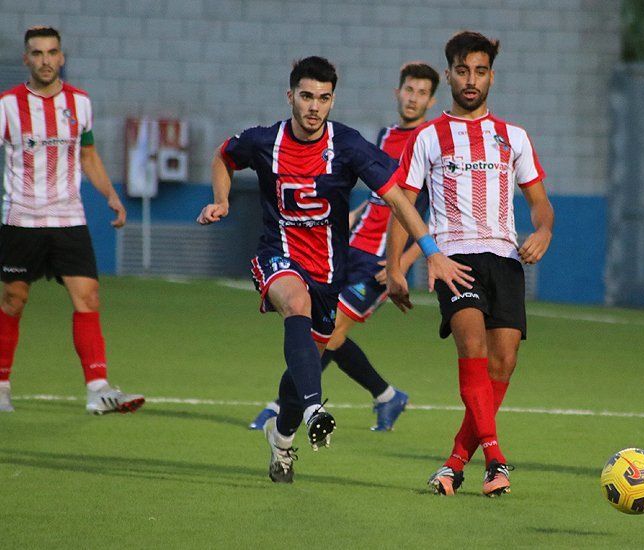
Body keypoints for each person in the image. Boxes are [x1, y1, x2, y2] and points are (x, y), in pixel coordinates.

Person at [197, 56, 470, 484]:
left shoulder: (350, 146)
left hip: (331, 270)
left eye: (323, 98)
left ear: (332, 101)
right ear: (291, 96)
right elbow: (223, 156)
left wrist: (430, 251)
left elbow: (399, 199)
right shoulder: (263, 140)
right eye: (306, 96)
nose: (314, 107)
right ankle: (312, 408)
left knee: (316, 348)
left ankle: (282, 437)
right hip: (279, 255)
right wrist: (223, 199)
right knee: (295, 301)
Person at [385, 31, 554, 497]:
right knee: (473, 347)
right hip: (453, 259)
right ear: (449, 75)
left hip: (505, 259)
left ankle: (455, 463)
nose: (471, 79)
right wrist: (395, 265)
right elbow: (404, 202)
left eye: (480, 71)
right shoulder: (427, 137)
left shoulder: (513, 136)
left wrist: (543, 230)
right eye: (462, 71)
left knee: (503, 363)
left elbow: (539, 202)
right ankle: (497, 461)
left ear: (491, 76)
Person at [248, 62, 440, 432]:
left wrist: (403, 261)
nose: (413, 98)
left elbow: (432, 211)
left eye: (421, 93)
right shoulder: (386, 136)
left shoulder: (428, 143)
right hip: (347, 249)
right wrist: (349, 217)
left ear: (431, 101)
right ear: (397, 92)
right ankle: (385, 395)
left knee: (330, 334)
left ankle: (283, 408)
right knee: (323, 332)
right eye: (409, 90)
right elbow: (378, 197)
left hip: (382, 260)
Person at [0, 26, 144, 415]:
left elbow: (89, 156)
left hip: (69, 218)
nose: (46, 60)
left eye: (52, 52)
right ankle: (1, 385)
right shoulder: (7, 106)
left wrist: (111, 195)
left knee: (89, 297)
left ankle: (98, 389)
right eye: (37, 53)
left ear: (62, 57)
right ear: (26, 59)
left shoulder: (80, 103)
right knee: (14, 300)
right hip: (21, 219)